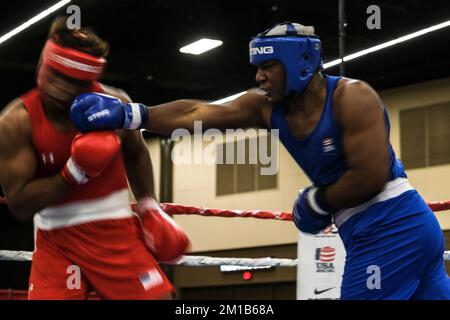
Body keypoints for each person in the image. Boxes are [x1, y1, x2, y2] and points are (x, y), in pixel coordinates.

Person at [70, 22, 450, 299]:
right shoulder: (266, 108)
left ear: (298, 63)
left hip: (392, 228)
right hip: (380, 232)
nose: (259, 76)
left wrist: (318, 200)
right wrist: (133, 114)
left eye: (268, 67)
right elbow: (196, 114)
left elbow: (371, 175)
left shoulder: (353, 97)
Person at [0, 16, 189, 300]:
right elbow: (19, 205)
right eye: (54, 75)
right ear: (42, 66)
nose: (59, 88)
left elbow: (137, 153)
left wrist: (149, 204)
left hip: (115, 228)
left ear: (89, 82)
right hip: (56, 238)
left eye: (71, 82)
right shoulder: (16, 122)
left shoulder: (117, 105)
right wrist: (74, 172)